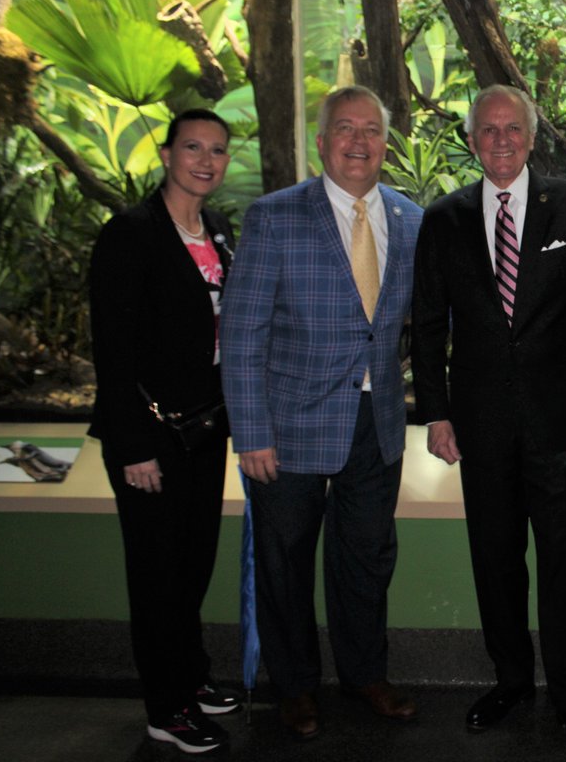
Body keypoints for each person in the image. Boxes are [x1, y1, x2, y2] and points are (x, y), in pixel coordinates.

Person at [411, 84, 566, 759]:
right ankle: (510, 681)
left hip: (562, 425)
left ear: (532, 138)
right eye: (488, 130)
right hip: (478, 426)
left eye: (513, 130)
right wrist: (437, 413)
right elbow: (424, 326)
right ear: (472, 140)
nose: (501, 141)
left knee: (564, 566)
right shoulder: (443, 219)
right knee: (495, 561)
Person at [219, 86, 422, 741]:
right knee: (284, 564)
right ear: (322, 140)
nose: (358, 142)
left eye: (371, 130)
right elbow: (242, 333)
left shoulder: (411, 218)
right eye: (345, 128)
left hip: (378, 424)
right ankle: (295, 687)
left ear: (385, 143)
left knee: (366, 560)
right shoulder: (275, 217)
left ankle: (365, 675)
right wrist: (250, 433)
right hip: (287, 428)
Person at [89, 109, 240, 755]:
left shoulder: (219, 231)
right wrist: (133, 447)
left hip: (204, 430)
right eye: (193, 147)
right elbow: (112, 349)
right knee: (157, 576)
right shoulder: (131, 233)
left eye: (218, 150)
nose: (206, 160)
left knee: (192, 566)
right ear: (168, 154)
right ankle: (166, 708)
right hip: (150, 438)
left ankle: (191, 677)